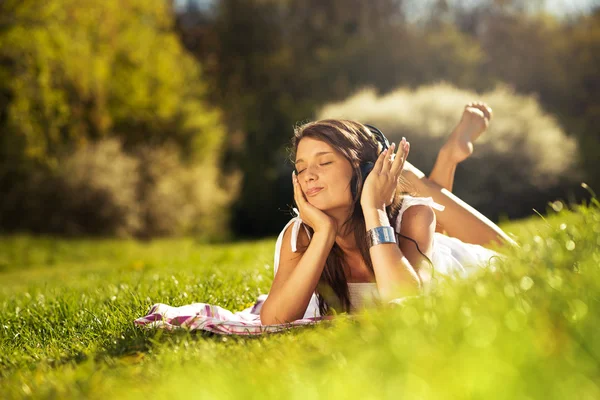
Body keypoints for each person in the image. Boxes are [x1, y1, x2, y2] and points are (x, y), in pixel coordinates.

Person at [259, 103, 517, 325]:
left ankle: (442, 159)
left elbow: (406, 300)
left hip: (450, 256)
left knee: (516, 255)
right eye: (301, 169)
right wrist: (324, 234)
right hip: (409, 234)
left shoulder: (415, 216)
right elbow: (274, 320)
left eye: (325, 162)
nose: (309, 176)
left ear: (364, 171)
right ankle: (411, 172)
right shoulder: (302, 234)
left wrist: (374, 209)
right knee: (416, 201)